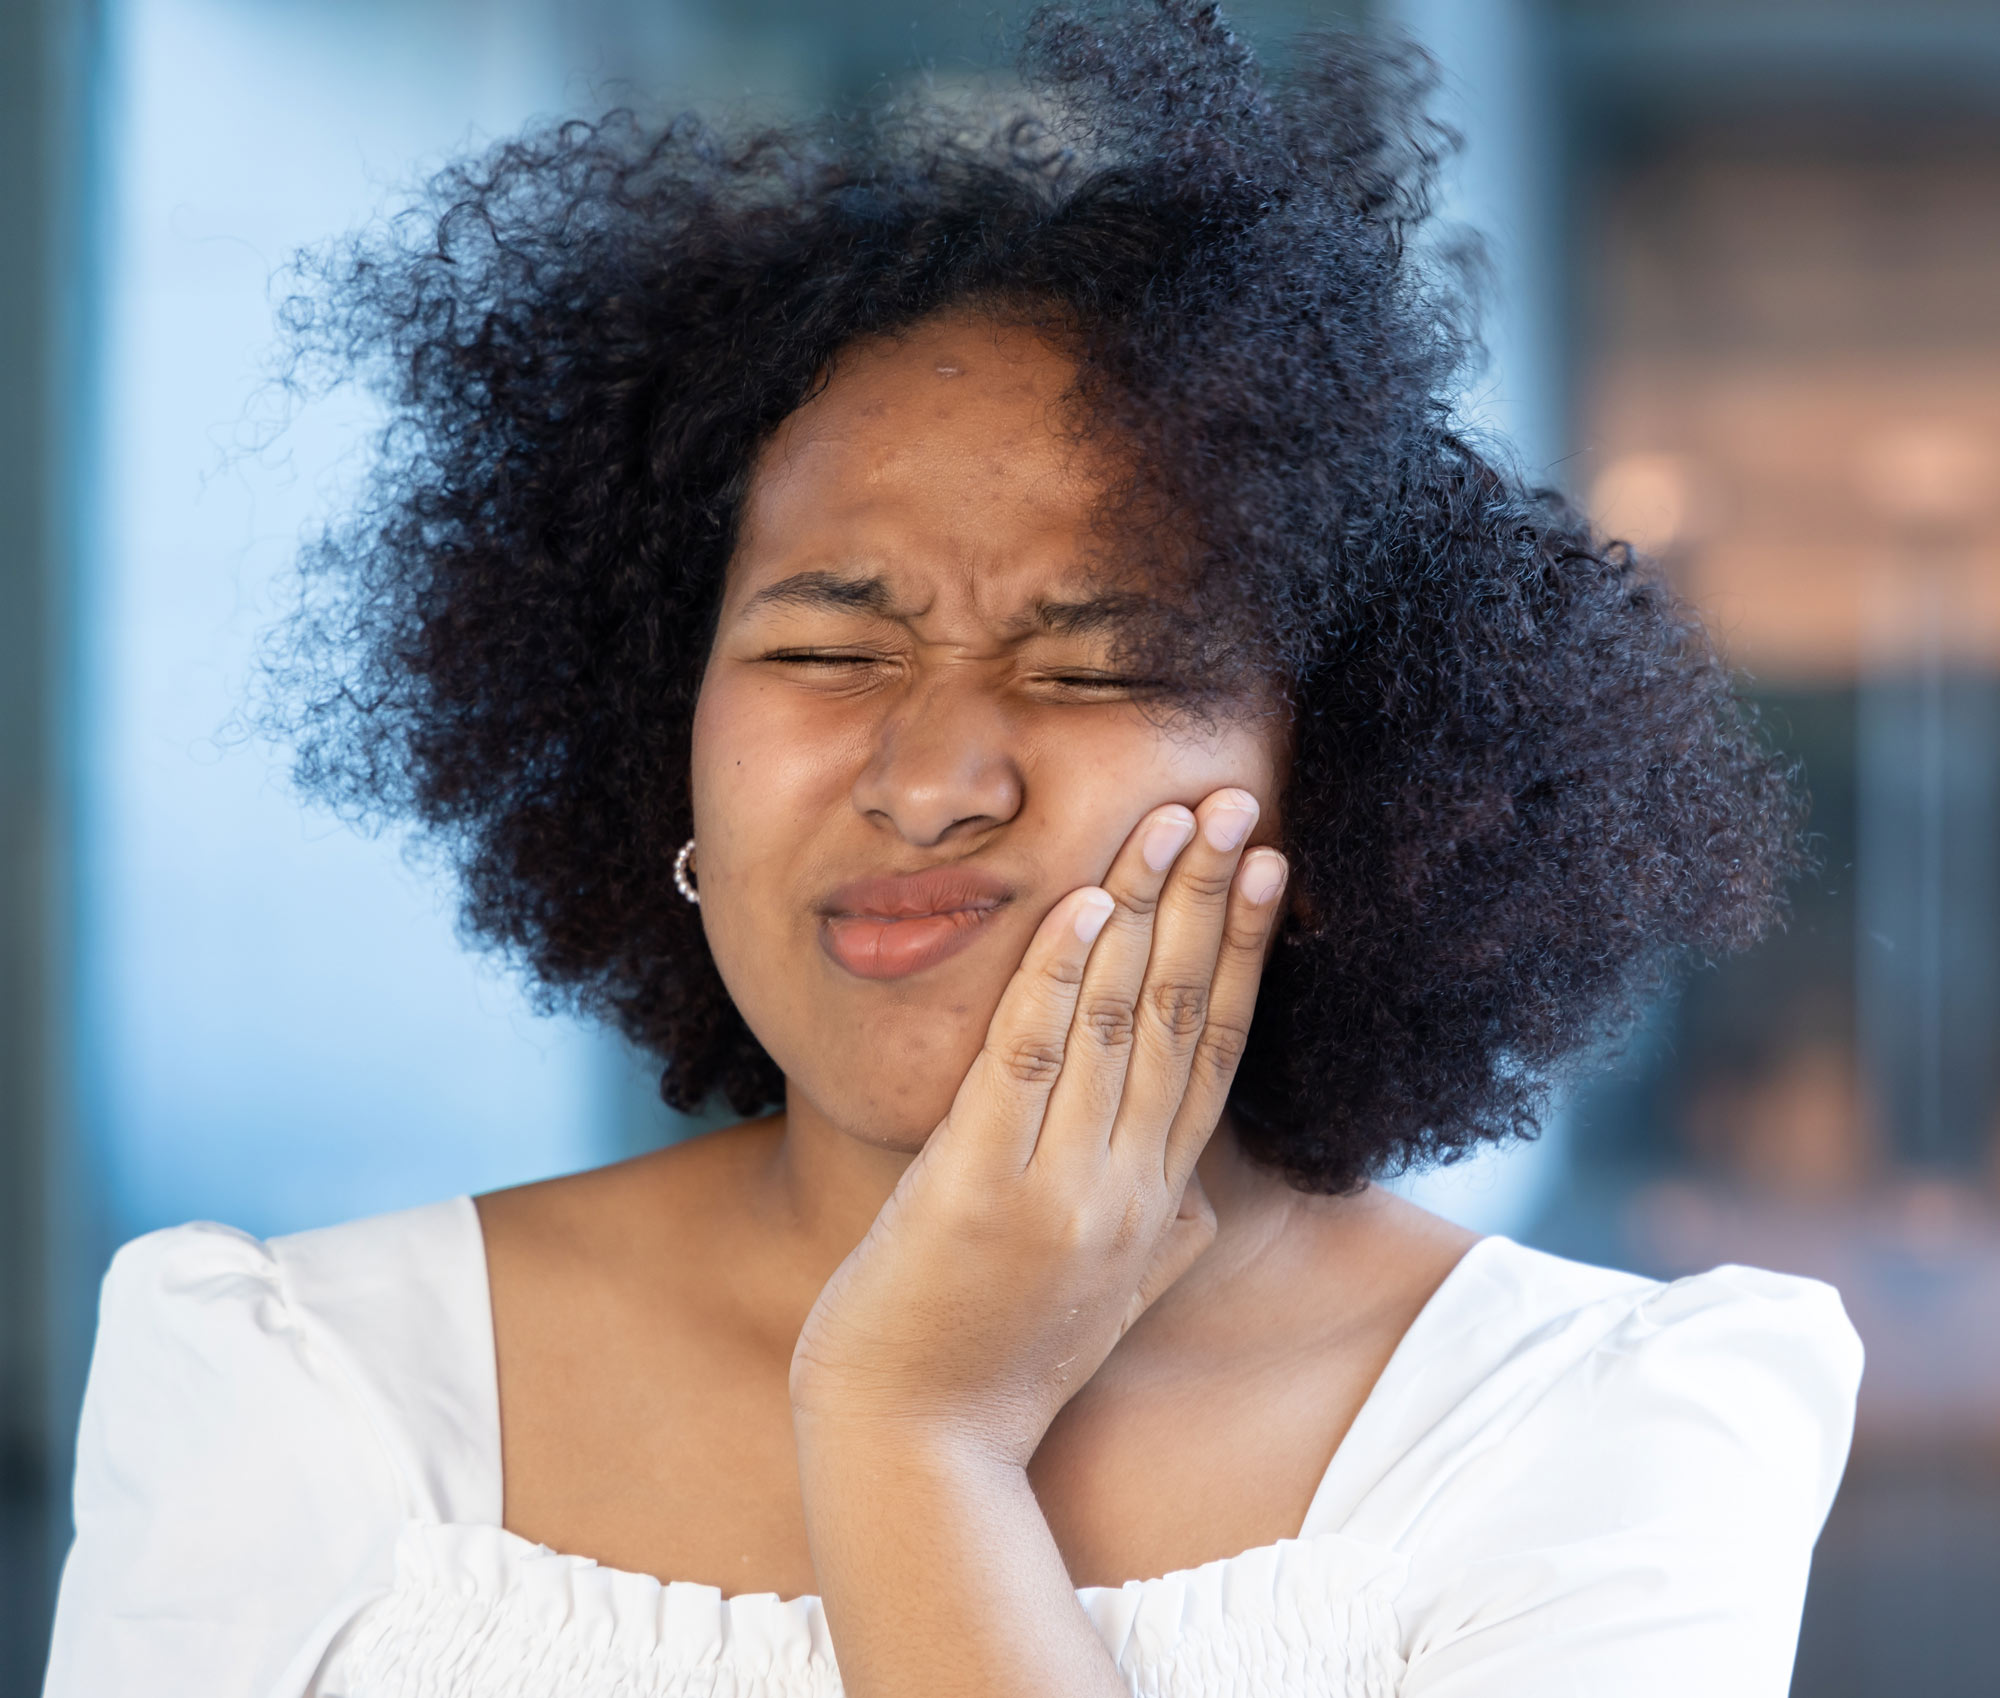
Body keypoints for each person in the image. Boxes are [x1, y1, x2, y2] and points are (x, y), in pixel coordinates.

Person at [44, 5, 1860, 1695]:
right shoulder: (299, 1380)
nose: (927, 778)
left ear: (1357, 778)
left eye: (1101, 664)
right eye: (825, 651)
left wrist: (914, 1436)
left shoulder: (1595, 1426)